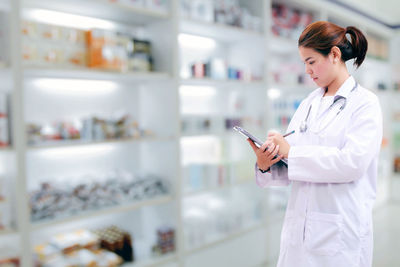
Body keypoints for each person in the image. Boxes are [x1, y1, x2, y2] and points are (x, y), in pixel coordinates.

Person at [248, 21, 382, 267]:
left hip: (339, 231)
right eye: (304, 64)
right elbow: (293, 163)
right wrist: (268, 162)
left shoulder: (365, 103)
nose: (308, 71)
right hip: (299, 231)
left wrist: (293, 153)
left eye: (311, 62)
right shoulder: (309, 102)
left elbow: (352, 163)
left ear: (334, 54)